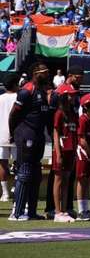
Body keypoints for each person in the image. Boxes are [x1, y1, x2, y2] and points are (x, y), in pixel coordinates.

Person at [8, 62, 50, 221]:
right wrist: (14, 134)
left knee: (36, 174)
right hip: (26, 135)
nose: (47, 75)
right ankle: (16, 213)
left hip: (38, 136)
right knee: (24, 173)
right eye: (44, 72)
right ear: (36, 73)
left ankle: (31, 212)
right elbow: (13, 115)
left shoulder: (41, 90)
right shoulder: (27, 90)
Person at [51, 84, 79, 222]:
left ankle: (64, 210)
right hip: (61, 150)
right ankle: (57, 212)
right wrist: (58, 152)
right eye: (70, 94)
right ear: (63, 96)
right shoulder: (59, 113)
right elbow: (55, 133)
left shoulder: (73, 113)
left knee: (67, 180)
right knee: (58, 180)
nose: (73, 97)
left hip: (71, 150)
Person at [75, 94, 90, 220]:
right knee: (82, 180)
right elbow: (82, 140)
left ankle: (86, 208)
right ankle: (81, 210)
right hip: (83, 154)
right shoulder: (82, 120)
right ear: (86, 106)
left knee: (88, 181)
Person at [0, 74, 19, 203]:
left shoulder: (0, 98)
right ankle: (15, 190)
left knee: (2, 164)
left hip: (1, 135)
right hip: (16, 135)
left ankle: (5, 194)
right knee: (20, 164)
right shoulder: (19, 97)